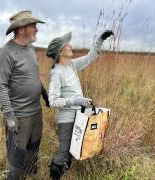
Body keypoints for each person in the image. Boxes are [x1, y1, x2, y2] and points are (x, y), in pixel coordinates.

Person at [46, 30, 114, 179]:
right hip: (66, 120)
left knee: (73, 150)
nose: (70, 45)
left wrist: (100, 39)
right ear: (60, 51)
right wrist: (76, 101)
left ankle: (64, 175)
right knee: (64, 151)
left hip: (79, 117)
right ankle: (54, 177)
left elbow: (91, 57)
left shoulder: (71, 65)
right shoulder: (57, 73)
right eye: (67, 45)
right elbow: (52, 101)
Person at [0, 10, 49, 180]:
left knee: (33, 151)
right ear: (21, 30)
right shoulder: (7, 52)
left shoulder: (31, 49)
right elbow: (0, 87)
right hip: (19, 116)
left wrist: (44, 94)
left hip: (36, 112)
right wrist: (9, 116)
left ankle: (29, 176)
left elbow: (32, 77)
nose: (37, 29)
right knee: (16, 159)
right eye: (33, 26)